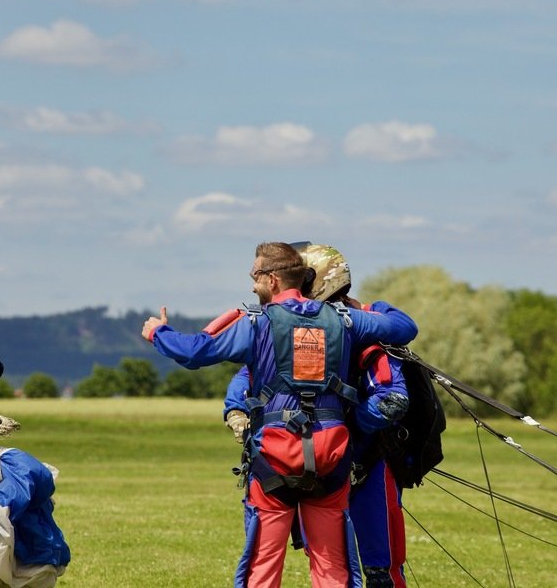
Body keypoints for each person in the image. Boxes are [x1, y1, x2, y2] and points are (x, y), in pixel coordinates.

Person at [142, 242, 418, 588]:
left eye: (255, 276)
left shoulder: (256, 324)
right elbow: (404, 328)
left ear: (272, 280)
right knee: (333, 568)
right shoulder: (347, 321)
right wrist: (371, 309)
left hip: (275, 455)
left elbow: (197, 351)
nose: (252, 284)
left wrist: (158, 332)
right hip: (331, 454)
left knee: (263, 566)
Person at [225, 243, 412, 587]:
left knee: (378, 569)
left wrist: (348, 429)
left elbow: (392, 400)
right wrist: (235, 407)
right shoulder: (296, 329)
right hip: (319, 458)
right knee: (327, 560)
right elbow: (257, 373)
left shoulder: (364, 324)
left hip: (364, 461)